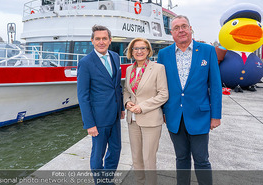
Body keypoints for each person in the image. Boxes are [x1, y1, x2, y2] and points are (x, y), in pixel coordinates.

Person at [157, 15, 222, 185]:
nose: (181, 30)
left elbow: (215, 85)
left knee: (201, 160)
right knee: (181, 158)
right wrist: (163, 111)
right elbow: (160, 87)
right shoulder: (164, 54)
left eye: (184, 26)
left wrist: (216, 115)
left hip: (200, 116)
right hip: (174, 116)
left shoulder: (207, 51)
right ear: (172, 33)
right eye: (177, 28)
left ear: (190, 28)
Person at [77, 25, 125, 184]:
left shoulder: (115, 57)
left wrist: (121, 108)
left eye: (105, 38)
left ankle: (108, 180)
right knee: (98, 154)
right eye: (97, 39)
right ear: (92, 41)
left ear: (110, 40)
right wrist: (89, 123)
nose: (101, 42)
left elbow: (117, 85)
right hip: (98, 119)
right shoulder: (85, 63)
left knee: (116, 150)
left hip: (115, 115)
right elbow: (83, 96)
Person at [123, 38, 168, 185]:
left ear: (148, 51)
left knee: (149, 158)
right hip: (132, 120)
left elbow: (163, 94)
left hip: (150, 119)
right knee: (136, 157)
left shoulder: (158, 68)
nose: (139, 51)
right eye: (136, 48)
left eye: (143, 48)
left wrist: (142, 107)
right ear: (131, 51)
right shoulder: (129, 69)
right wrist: (127, 101)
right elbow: (126, 91)